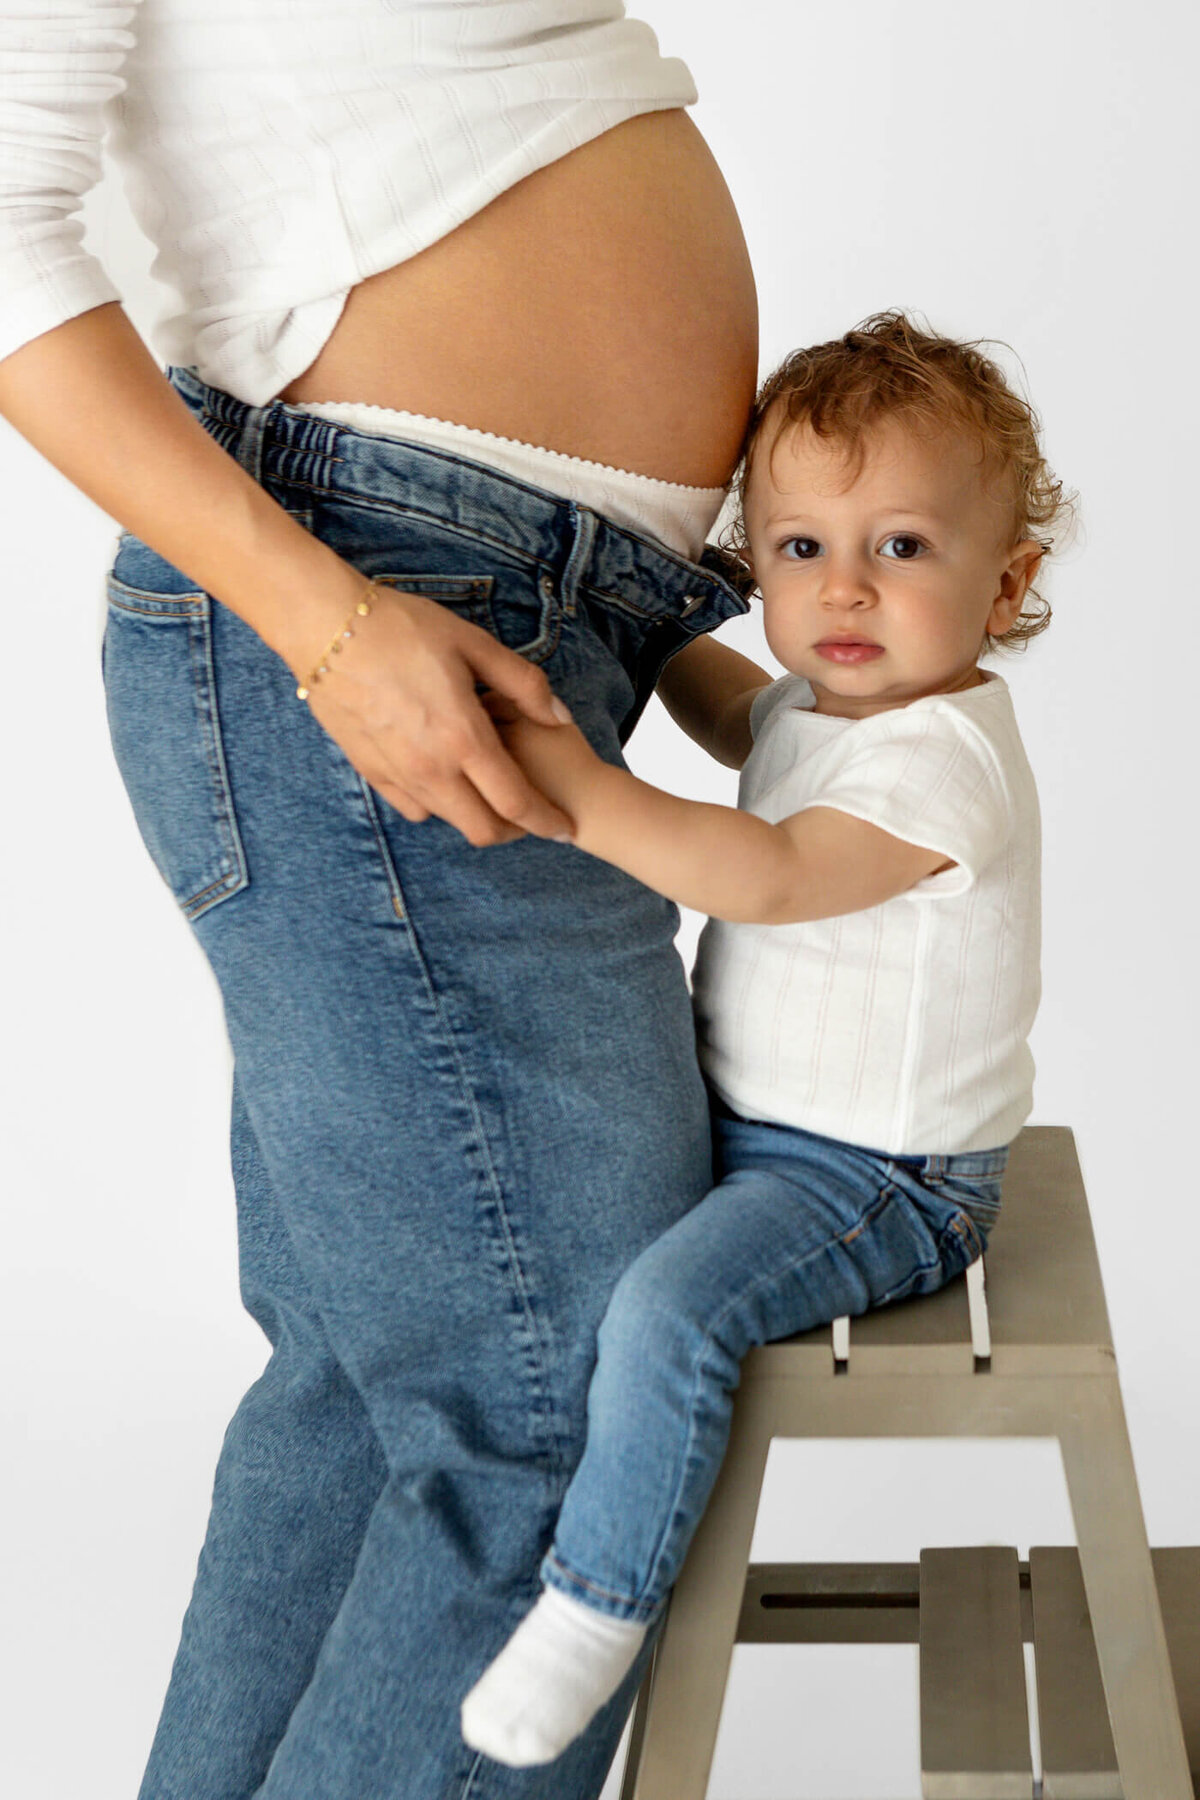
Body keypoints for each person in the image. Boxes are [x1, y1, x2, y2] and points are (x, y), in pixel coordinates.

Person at [0, 5, 758, 1798]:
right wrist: (327, 624)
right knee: (561, 1419)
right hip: (377, 611)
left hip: (506, 608)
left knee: (376, 1400)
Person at [460, 311, 1072, 1768]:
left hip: (881, 1176)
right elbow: (748, 709)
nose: (843, 585)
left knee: (672, 1313)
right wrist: (646, 628)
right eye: (798, 550)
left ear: (1010, 584)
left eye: (903, 548)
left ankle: (598, 1600)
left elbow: (772, 875)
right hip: (761, 1133)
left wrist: (571, 782)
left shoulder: (944, 761)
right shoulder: (834, 701)